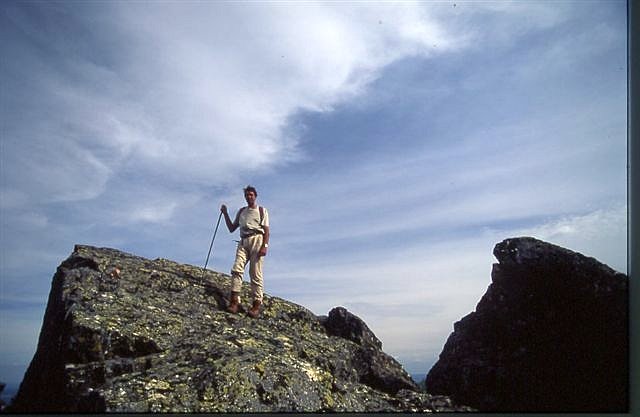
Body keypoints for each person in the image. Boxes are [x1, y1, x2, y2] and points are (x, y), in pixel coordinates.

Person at [220, 185, 270, 318]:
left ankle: (256, 304)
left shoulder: (261, 211)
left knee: (255, 273)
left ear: (255, 196)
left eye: (251, 195)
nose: (249, 197)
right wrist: (225, 213)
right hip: (243, 240)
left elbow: (266, 230)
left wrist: (264, 245)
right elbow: (232, 228)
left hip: (257, 240)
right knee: (237, 268)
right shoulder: (242, 211)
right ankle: (235, 301)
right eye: (247, 195)